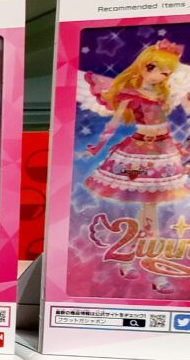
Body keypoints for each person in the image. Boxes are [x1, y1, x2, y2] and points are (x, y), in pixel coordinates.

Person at [79, 39, 190, 233]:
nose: (159, 76)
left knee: (154, 196)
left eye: (166, 73)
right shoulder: (129, 94)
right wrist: (97, 148)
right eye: (153, 68)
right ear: (143, 66)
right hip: (142, 148)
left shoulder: (161, 93)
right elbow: (113, 124)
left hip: (164, 147)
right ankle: (150, 232)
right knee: (148, 196)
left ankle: (145, 232)